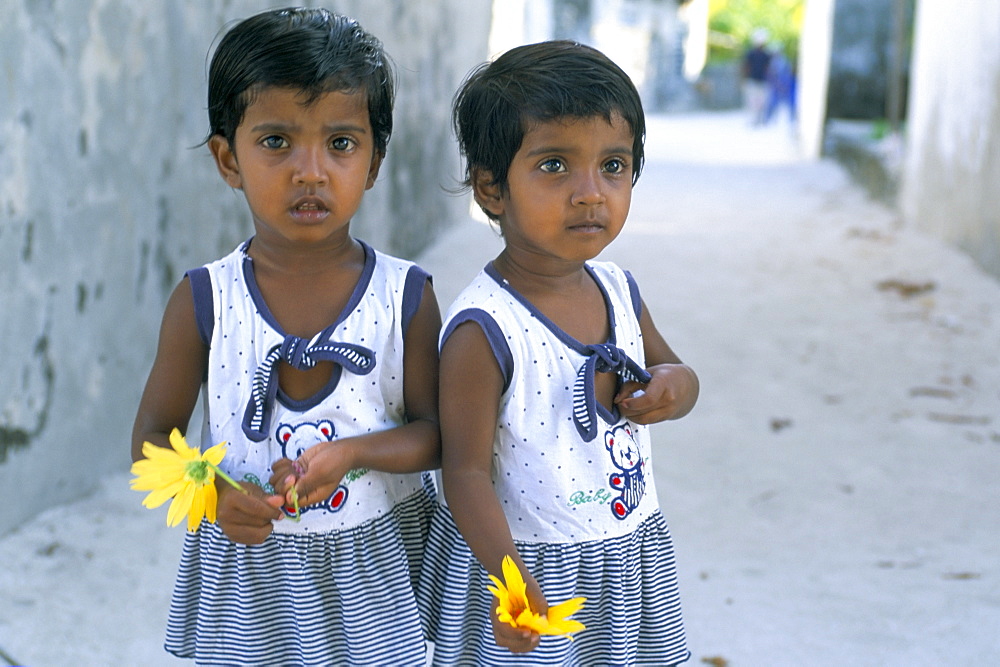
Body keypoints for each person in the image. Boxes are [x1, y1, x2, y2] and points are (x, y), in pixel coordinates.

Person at [130, 8, 441, 665]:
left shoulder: (405, 298)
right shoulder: (204, 301)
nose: (310, 170)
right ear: (227, 158)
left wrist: (353, 451)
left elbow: (439, 435)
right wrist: (211, 493)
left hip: (372, 572)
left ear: (375, 161)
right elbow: (152, 441)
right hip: (252, 576)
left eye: (341, 143)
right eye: (276, 141)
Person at [417, 41, 699, 665]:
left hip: (626, 553)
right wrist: (511, 585)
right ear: (491, 189)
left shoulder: (619, 289)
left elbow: (675, 371)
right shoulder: (484, 330)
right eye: (554, 166)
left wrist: (674, 387)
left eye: (614, 166)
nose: (590, 193)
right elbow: (462, 474)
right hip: (529, 562)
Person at [742, 28, 772, 126]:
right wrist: (744, 79)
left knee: (762, 102)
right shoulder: (750, 54)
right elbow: (746, 67)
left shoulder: (766, 54)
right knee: (752, 102)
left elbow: (768, 68)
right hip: (752, 81)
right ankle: (753, 120)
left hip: (763, 81)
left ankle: (760, 119)